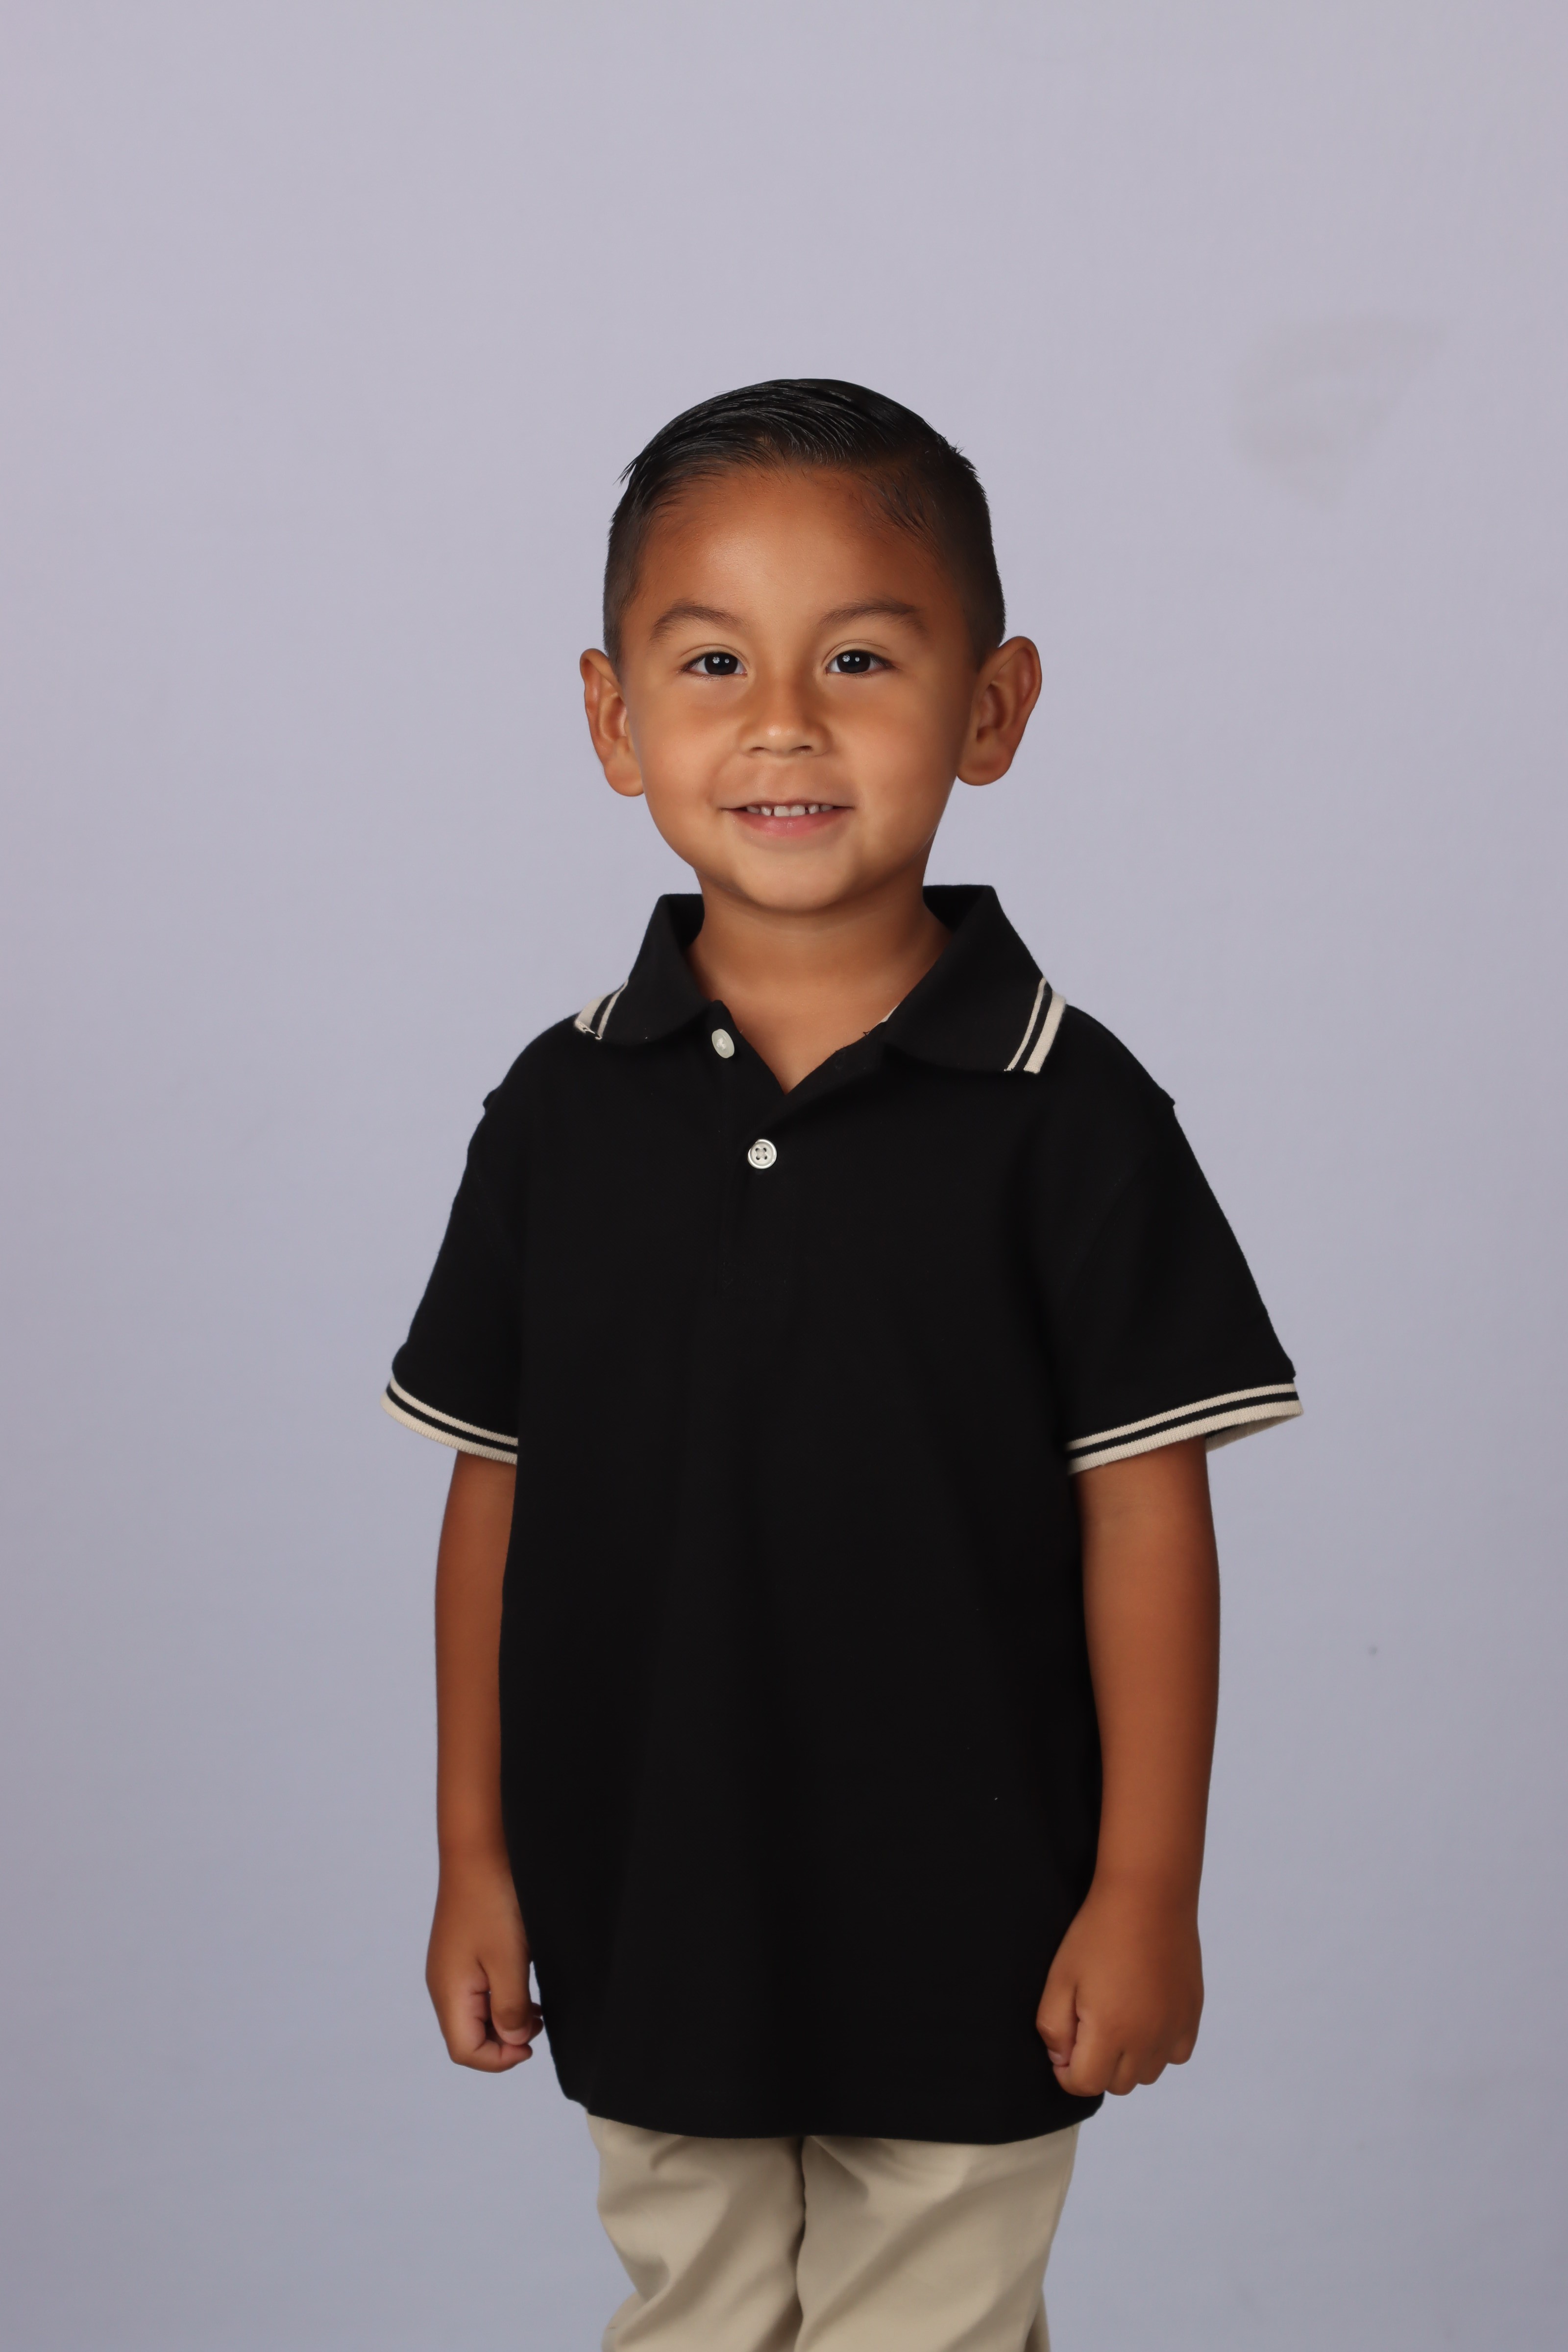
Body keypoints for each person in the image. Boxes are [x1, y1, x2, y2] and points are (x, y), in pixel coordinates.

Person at [382, 379, 1300, 2352]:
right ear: (613, 719)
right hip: (652, 1891)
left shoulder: (1073, 1117)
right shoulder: (560, 1112)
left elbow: (1148, 1520)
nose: (784, 721)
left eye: (861, 659)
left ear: (992, 707)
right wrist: (475, 1855)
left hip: (980, 1912)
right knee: (691, 2317)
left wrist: (1145, 1887)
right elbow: (495, 1498)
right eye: (712, 660)